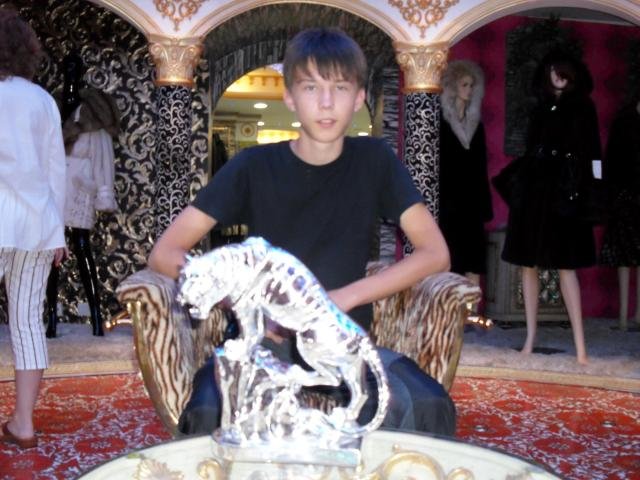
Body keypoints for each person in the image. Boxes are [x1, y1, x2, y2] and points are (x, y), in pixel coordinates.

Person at [148, 27, 455, 436]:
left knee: (428, 403)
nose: (326, 103)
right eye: (311, 87)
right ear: (290, 97)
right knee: (210, 411)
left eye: (340, 87)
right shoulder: (252, 166)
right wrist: (242, 299)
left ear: (359, 97)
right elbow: (165, 253)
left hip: (340, 346)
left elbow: (435, 253)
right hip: (262, 346)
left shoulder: (375, 161)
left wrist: (343, 298)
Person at [501, 52, 601, 365]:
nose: (556, 77)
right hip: (535, 194)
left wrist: (592, 187)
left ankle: (581, 347)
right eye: (552, 72)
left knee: (566, 267)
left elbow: (594, 152)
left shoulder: (583, 107)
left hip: (565, 194)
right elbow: (532, 147)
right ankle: (530, 338)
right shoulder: (541, 108)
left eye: (561, 71)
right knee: (527, 264)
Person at [0, 8, 67, 448]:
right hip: (38, 223)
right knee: (27, 323)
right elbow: (55, 170)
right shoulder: (42, 100)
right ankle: (23, 425)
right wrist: (57, 231)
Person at [45, 85, 120, 338]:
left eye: (75, 69)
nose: (70, 75)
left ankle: (96, 316)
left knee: (81, 246)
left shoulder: (92, 115)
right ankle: (51, 318)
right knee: (51, 251)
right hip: (54, 190)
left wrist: (103, 192)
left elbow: (103, 159)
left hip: (79, 189)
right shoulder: (51, 111)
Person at [439, 59, 493, 285]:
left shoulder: (476, 125)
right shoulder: (440, 122)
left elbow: (481, 167)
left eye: (472, 85)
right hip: (448, 201)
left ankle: (471, 307)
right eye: (464, 84)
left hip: (472, 203)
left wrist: (484, 204)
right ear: (452, 86)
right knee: (448, 260)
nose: (469, 90)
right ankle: (447, 306)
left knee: (473, 261)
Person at [599, 97, 640, 330]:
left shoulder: (625, 119)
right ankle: (624, 316)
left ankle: (637, 314)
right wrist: (611, 194)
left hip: (629, 194)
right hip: (624, 196)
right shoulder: (624, 120)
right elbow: (612, 160)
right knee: (623, 256)